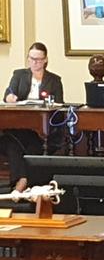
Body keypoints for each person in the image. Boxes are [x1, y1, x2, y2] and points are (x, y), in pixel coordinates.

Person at [1, 42, 64, 192]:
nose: (35, 62)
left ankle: (20, 184)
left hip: (40, 130)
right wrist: (10, 97)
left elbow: (60, 104)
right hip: (18, 126)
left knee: (29, 145)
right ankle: (23, 182)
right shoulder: (19, 75)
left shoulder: (54, 80)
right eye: (32, 58)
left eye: (38, 59)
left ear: (45, 60)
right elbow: (7, 94)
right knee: (13, 144)